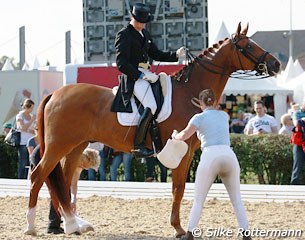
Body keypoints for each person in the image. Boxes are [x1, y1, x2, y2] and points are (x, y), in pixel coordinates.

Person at [172, 89, 251, 240]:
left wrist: (175, 135)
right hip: (229, 155)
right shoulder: (224, 115)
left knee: (199, 200)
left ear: (201, 103)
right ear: (215, 101)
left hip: (210, 155)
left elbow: (184, 135)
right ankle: (246, 234)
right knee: (237, 200)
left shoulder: (198, 117)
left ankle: (190, 234)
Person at [111, 3, 186, 159]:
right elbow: (121, 64)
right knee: (151, 105)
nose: (142, 24)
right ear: (132, 17)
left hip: (147, 74)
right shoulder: (124, 34)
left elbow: (157, 54)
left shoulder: (145, 34)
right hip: (133, 77)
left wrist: (176, 55)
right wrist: (139, 75)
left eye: (144, 22)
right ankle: (139, 145)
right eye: (140, 21)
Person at [29, 144, 100, 234]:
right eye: (86, 165)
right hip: (42, 154)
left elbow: (74, 184)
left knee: (63, 192)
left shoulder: (79, 163)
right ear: (85, 158)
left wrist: (74, 200)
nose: (85, 168)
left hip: (50, 156)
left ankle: (58, 224)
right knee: (57, 192)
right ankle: (53, 226)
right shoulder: (72, 157)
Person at [16, 98, 36, 179]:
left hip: (31, 142)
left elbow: (34, 130)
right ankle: (21, 179)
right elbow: (22, 127)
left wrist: (28, 129)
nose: (32, 110)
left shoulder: (32, 116)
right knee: (23, 162)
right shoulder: (20, 116)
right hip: (23, 142)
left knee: (32, 161)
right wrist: (31, 120)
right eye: (31, 108)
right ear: (26, 107)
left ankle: (31, 178)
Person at [290, 100, 305, 185]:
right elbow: (296, 124)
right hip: (299, 143)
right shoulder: (297, 113)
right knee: (297, 166)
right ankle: (293, 186)